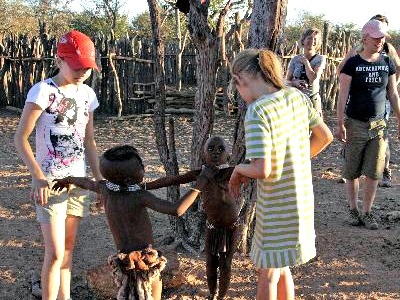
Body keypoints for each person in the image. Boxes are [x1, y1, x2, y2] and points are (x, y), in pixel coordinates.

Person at [228, 49, 333, 300]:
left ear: (243, 78)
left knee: (267, 271)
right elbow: (324, 137)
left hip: (276, 205)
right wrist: (295, 161)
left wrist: (238, 169)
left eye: (237, 86)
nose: (240, 95)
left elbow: (262, 169)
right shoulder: (296, 96)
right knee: (281, 265)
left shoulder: (257, 112)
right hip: (301, 202)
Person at [52, 145, 217, 300]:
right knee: (153, 291)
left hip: (124, 264)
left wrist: (67, 179)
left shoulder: (105, 189)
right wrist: (200, 183)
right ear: (130, 179)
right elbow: (177, 209)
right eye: (141, 167)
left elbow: (86, 182)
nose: (144, 168)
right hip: (146, 262)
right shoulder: (138, 196)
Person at [14, 30, 102, 300]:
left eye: (87, 68)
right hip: (50, 183)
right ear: (59, 60)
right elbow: (20, 138)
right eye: (76, 67)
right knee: (53, 253)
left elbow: (89, 141)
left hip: (78, 180)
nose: (82, 72)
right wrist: (38, 176)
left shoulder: (87, 94)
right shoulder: (43, 91)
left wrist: (97, 180)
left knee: (68, 248)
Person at [143, 135, 241, 300]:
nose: (215, 153)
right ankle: (212, 293)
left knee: (226, 265)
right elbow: (172, 180)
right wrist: (145, 186)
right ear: (203, 154)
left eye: (220, 149)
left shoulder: (231, 173)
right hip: (212, 227)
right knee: (210, 264)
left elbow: (251, 171)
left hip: (231, 227)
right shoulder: (199, 175)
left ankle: (221, 297)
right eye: (210, 149)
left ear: (228, 156)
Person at [336, 19, 400, 230]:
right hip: (355, 123)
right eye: (375, 37)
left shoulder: (387, 62)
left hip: (379, 125)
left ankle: (367, 212)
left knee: (374, 171)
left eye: (382, 37)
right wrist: (339, 124)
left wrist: (399, 119)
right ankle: (353, 209)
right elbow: (342, 95)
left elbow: (392, 93)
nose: (380, 41)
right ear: (364, 38)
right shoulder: (352, 63)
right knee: (352, 169)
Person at [286, 28, 327, 116]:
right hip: (296, 100)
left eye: (315, 39)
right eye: (309, 38)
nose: (312, 41)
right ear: (303, 40)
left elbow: (313, 78)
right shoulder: (295, 59)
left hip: (312, 101)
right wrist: (295, 82)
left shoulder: (320, 59)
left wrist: (306, 63)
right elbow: (287, 81)